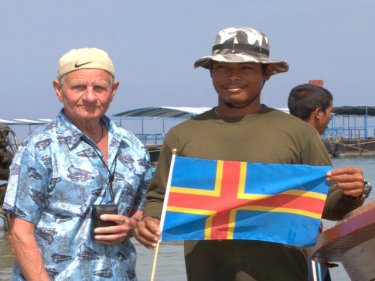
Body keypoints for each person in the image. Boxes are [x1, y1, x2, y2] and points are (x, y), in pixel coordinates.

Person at [135, 27, 366, 281]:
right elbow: (159, 196)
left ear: (267, 73)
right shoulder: (182, 136)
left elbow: (326, 205)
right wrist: (150, 219)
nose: (233, 77)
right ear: (211, 72)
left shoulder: (299, 134)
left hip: (285, 273)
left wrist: (351, 193)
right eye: (222, 68)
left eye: (245, 68)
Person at [2, 48, 152, 280]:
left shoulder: (133, 147)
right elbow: (19, 234)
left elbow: (142, 209)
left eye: (99, 88)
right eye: (79, 87)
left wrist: (131, 225)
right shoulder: (39, 148)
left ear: (113, 91)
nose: (90, 97)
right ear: (59, 90)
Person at [288, 83, 369, 281]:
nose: (329, 119)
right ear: (318, 113)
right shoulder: (308, 141)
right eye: (330, 113)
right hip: (303, 241)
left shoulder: (282, 141)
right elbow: (326, 200)